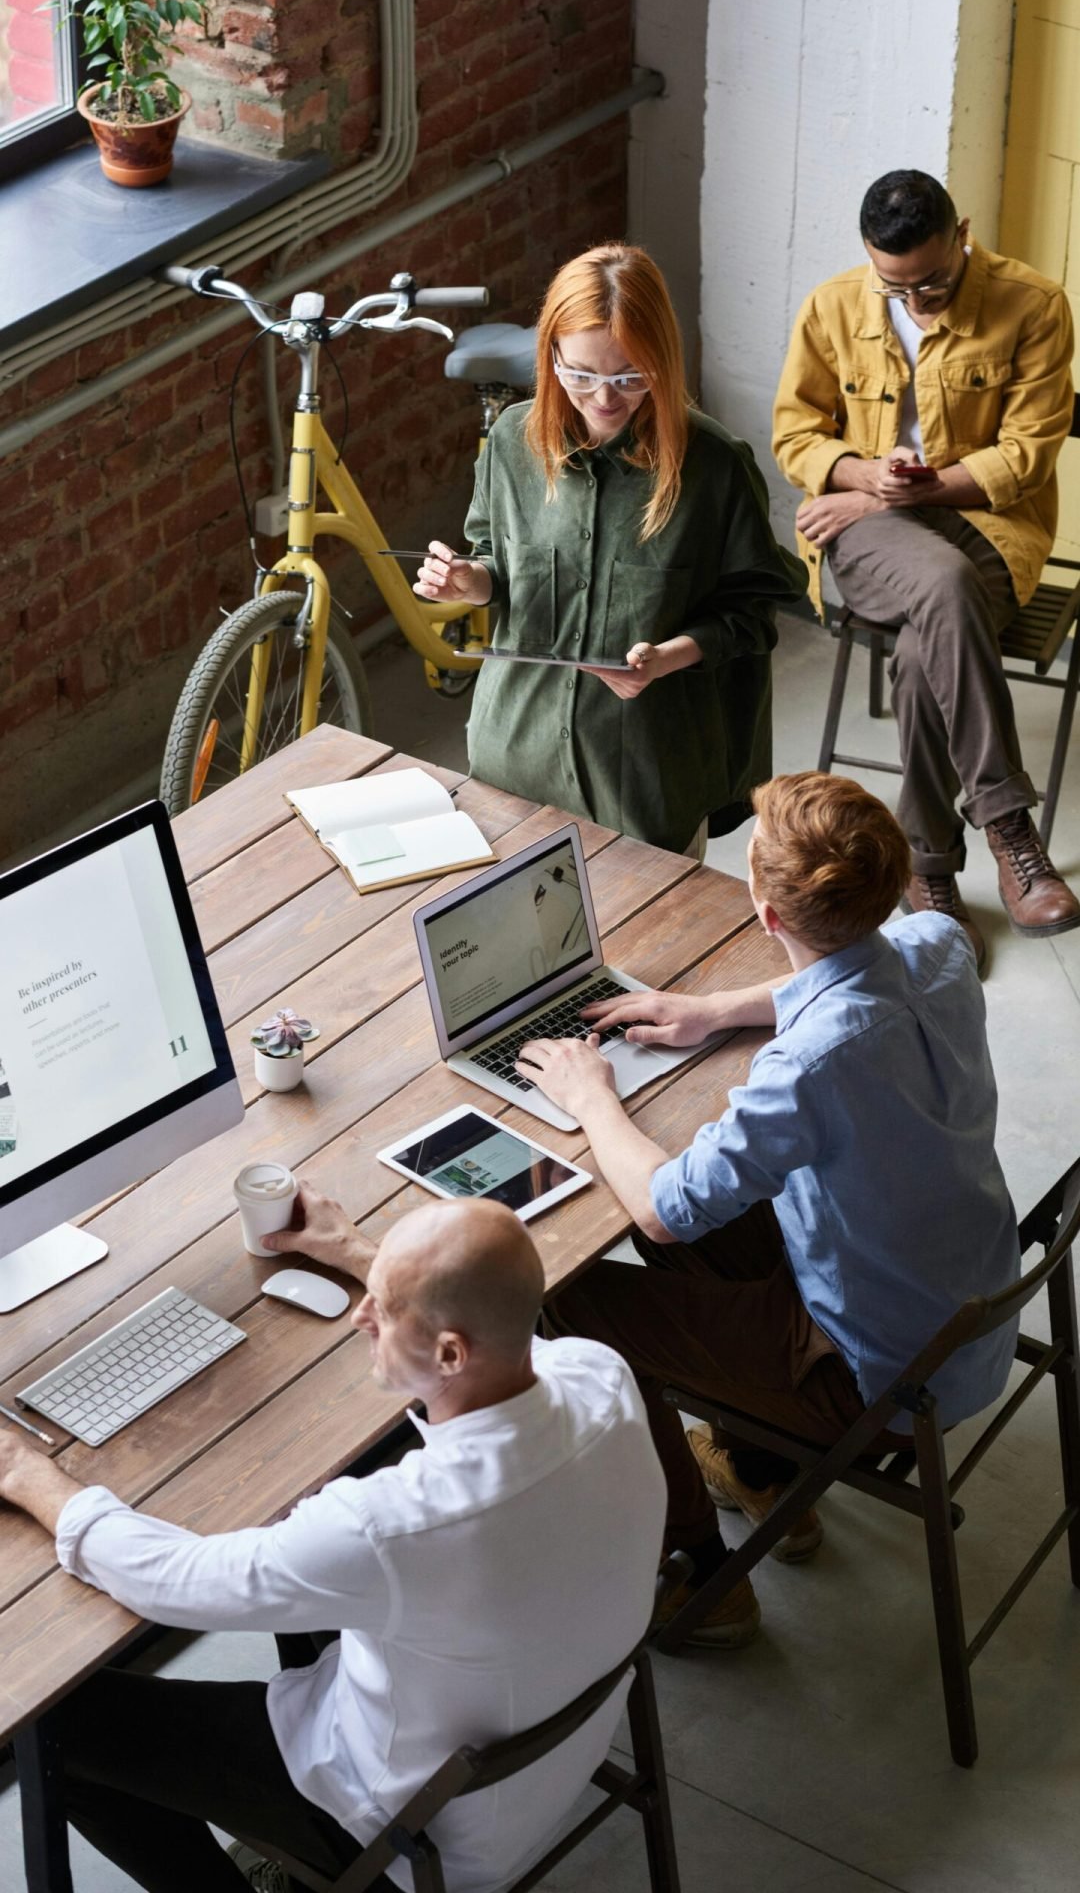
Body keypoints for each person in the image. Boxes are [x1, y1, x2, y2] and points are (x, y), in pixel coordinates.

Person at [0, 1195, 665, 1893]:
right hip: (542, 1765)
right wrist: (354, 1252)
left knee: (59, 1726)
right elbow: (495, 1329)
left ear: (448, 1353)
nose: (360, 1316)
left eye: (382, 1306)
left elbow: (174, 1579)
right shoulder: (600, 1377)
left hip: (408, 1833)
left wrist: (26, 1473)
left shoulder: (391, 1526)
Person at [517, 772, 1021, 1647]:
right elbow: (872, 970)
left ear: (768, 916)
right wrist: (714, 1011)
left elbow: (666, 1211)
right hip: (965, 1318)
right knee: (718, 1199)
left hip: (882, 1381)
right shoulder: (942, 941)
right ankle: (760, 1467)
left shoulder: (811, 1067)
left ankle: (699, 1581)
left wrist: (589, 1094)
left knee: (570, 1293)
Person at [773, 169, 1080, 971]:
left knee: (922, 653)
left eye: (936, 278)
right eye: (896, 284)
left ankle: (929, 872)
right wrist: (861, 478)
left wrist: (889, 495)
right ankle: (1011, 827)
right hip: (871, 538)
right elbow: (795, 433)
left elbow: (1025, 456)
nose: (919, 297)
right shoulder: (832, 306)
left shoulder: (1036, 305)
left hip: (991, 527)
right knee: (939, 589)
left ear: (964, 232)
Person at [416, 242, 808, 857]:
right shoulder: (513, 442)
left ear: (664, 362)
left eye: (630, 377)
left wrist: (669, 657)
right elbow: (496, 556)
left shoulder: (715, 468)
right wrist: (473, 580)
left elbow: (754, 612)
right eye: (580, 375)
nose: (604, 398)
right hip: (513, 757)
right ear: (550, 357)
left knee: (646, 947)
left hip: (644, 775)